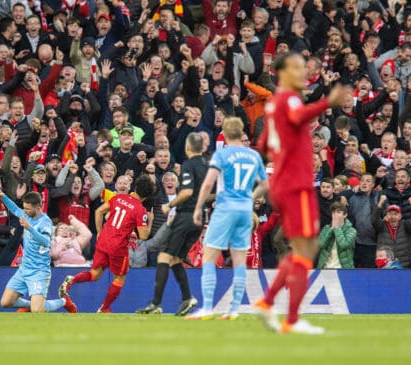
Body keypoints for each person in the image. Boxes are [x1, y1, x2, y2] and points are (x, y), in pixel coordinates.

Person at [254, 52, 346, 335]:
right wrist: (327, 102)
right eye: (295, 67)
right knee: (306, 249)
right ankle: (288, 316)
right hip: (297, 185)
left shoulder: (272, 105)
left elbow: (263, 146)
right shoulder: (289, 98)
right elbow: (297, 115)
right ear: (280, 72)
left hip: (285, 183)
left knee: (304, 249)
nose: (302, 72)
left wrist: (276, 170)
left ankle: (270, 304)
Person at [185, 117, 268, 320]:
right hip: (245, 210)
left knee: (209, 257)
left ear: (224, 132)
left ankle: (207, 307)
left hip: (225, 208)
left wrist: (198, 207)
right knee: (240, 261)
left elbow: (208, 183)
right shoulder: (253, 156)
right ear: (241, 134)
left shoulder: (221, 155)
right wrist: (250, 197)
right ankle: (234, 309)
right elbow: (265, 185)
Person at [58, 175, 156, 313]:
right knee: (120, 277)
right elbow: (144, 236)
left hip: (104, 240)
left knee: (95, 274)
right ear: (147, 196)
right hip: (118, 245)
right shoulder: (140, 210)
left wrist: (99, 232)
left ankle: (72, 279)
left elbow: (99, 211)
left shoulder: (118, 198)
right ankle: (104, 308)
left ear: (135, 187)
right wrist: (150, 220)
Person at [136, 132, 208, 316]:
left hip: (185, 217)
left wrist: (170, 204)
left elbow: (187, 192)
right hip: (200, 220)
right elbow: (212, 194)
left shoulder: (188, 165)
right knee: (175, 259)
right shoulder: (208, 167)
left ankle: (155, 304)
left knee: (163, 257)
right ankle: (187, 298)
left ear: (188, 147)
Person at [0, 191, 77, 313]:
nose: (25, 211)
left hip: (39, 271)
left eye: (28, 209)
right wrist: (3, 197)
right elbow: (15, 209)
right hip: (24, 268)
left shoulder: (45, 222)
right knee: (5, 303)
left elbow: (46, 242)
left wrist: (29, 228)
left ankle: (64, 301)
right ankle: (31, 305)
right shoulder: (27, 215)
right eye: (24, 208)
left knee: (37, 310)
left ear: (38, 208)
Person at [317, 202, 357, 269]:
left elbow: (344, 244)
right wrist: (331, 229)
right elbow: (320, 244)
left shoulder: (351, 231)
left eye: (338, 212)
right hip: (325, 268)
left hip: (342, 269)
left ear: (345, 215)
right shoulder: (327, 228)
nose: (335, 215)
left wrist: (337, 228)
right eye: (333, 212)